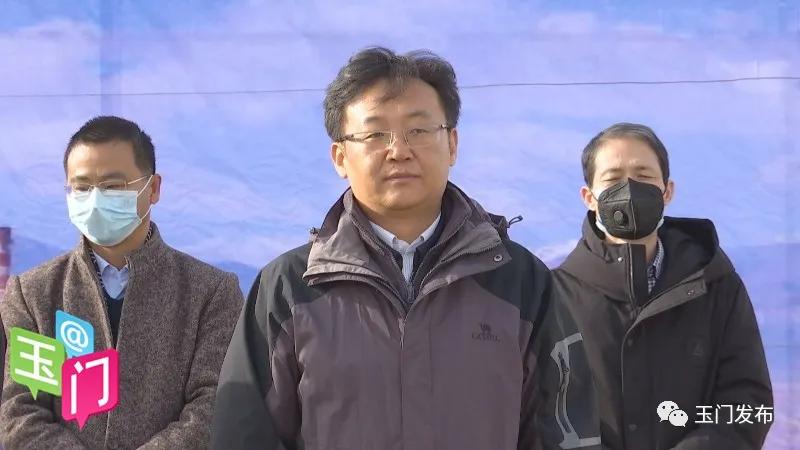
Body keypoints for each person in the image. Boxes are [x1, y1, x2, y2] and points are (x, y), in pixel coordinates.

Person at [212, 47, 600, 450]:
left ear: (452, 144)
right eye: (375, 134)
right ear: (340, 157)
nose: (399, 150)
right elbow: (243, 435)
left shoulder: (519, 281)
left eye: (419, 130)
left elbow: (567, 432)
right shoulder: (290, 288)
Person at [0, 116, 243, 449]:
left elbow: (212, 406)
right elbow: (21, 412)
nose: (95, 199)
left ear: (153, 189)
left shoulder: (210, 293)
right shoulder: (34, 294)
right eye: (82, 187)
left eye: (113, 186)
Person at [552, 122, 773, 449]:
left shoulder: (716, 285)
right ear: (589, 197)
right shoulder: (554, 296)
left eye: (643, 176)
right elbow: (544, 410)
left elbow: (748, 401)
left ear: (667, 191)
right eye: (612, 179)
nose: (629, 189)